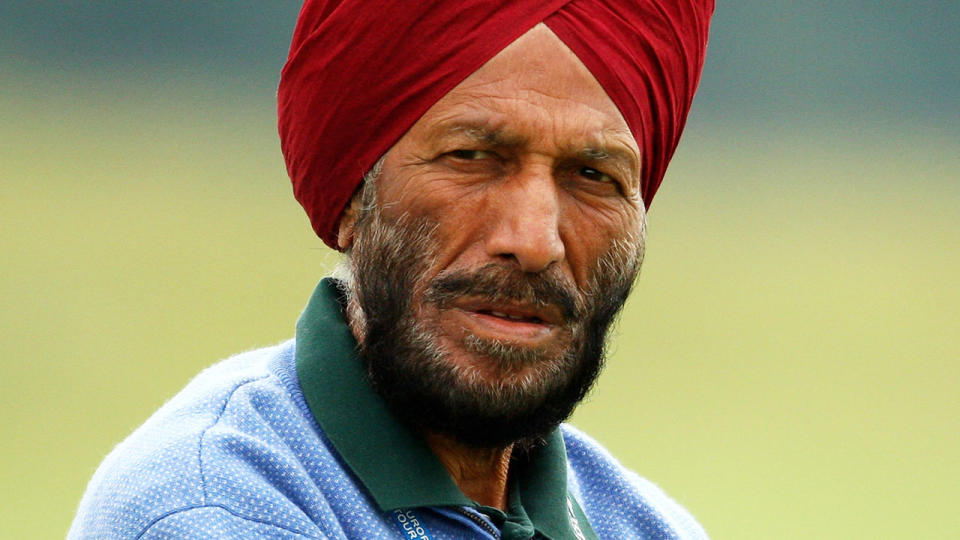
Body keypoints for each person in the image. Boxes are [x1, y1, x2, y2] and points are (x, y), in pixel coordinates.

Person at [69, 1, 713, 538]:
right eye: (473, 157)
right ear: (353, 196)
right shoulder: (219, 507)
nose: (535, 240)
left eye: (594, 176)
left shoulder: (644, 525)